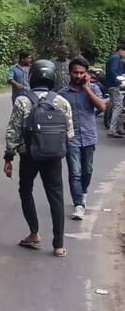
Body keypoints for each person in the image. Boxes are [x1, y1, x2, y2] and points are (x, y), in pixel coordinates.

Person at [4, 58, 74, 257]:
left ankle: (34, 234)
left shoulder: (22, 101)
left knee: (26, 190)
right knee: (57, 198)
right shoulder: (61, 101)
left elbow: (13, 132)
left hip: (28, 156)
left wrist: (8, 157)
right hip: (53, 157)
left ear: (31, 77)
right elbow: (69, 134)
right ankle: (59, 246)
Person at [59, 56, 106, 220]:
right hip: (71, 139)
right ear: (69, 72)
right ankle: (78, 204)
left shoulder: (93, 88)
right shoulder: (62, 95)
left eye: (81, 73)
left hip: (89, 137)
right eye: (75, 72)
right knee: (75, 172)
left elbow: (102, 106)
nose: (78, 76)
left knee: (87, 170)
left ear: (86, 74)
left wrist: (87, 89)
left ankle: (83, 192)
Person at [104, 41, 125, 137]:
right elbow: (113, 71)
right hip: (115, 85)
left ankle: (119, 128)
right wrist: (120, 81)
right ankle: (112, 130)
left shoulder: (112, 58)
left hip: (109, 85)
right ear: (121, 50)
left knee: (117, 106)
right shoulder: (116, 58)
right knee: (119, 107)